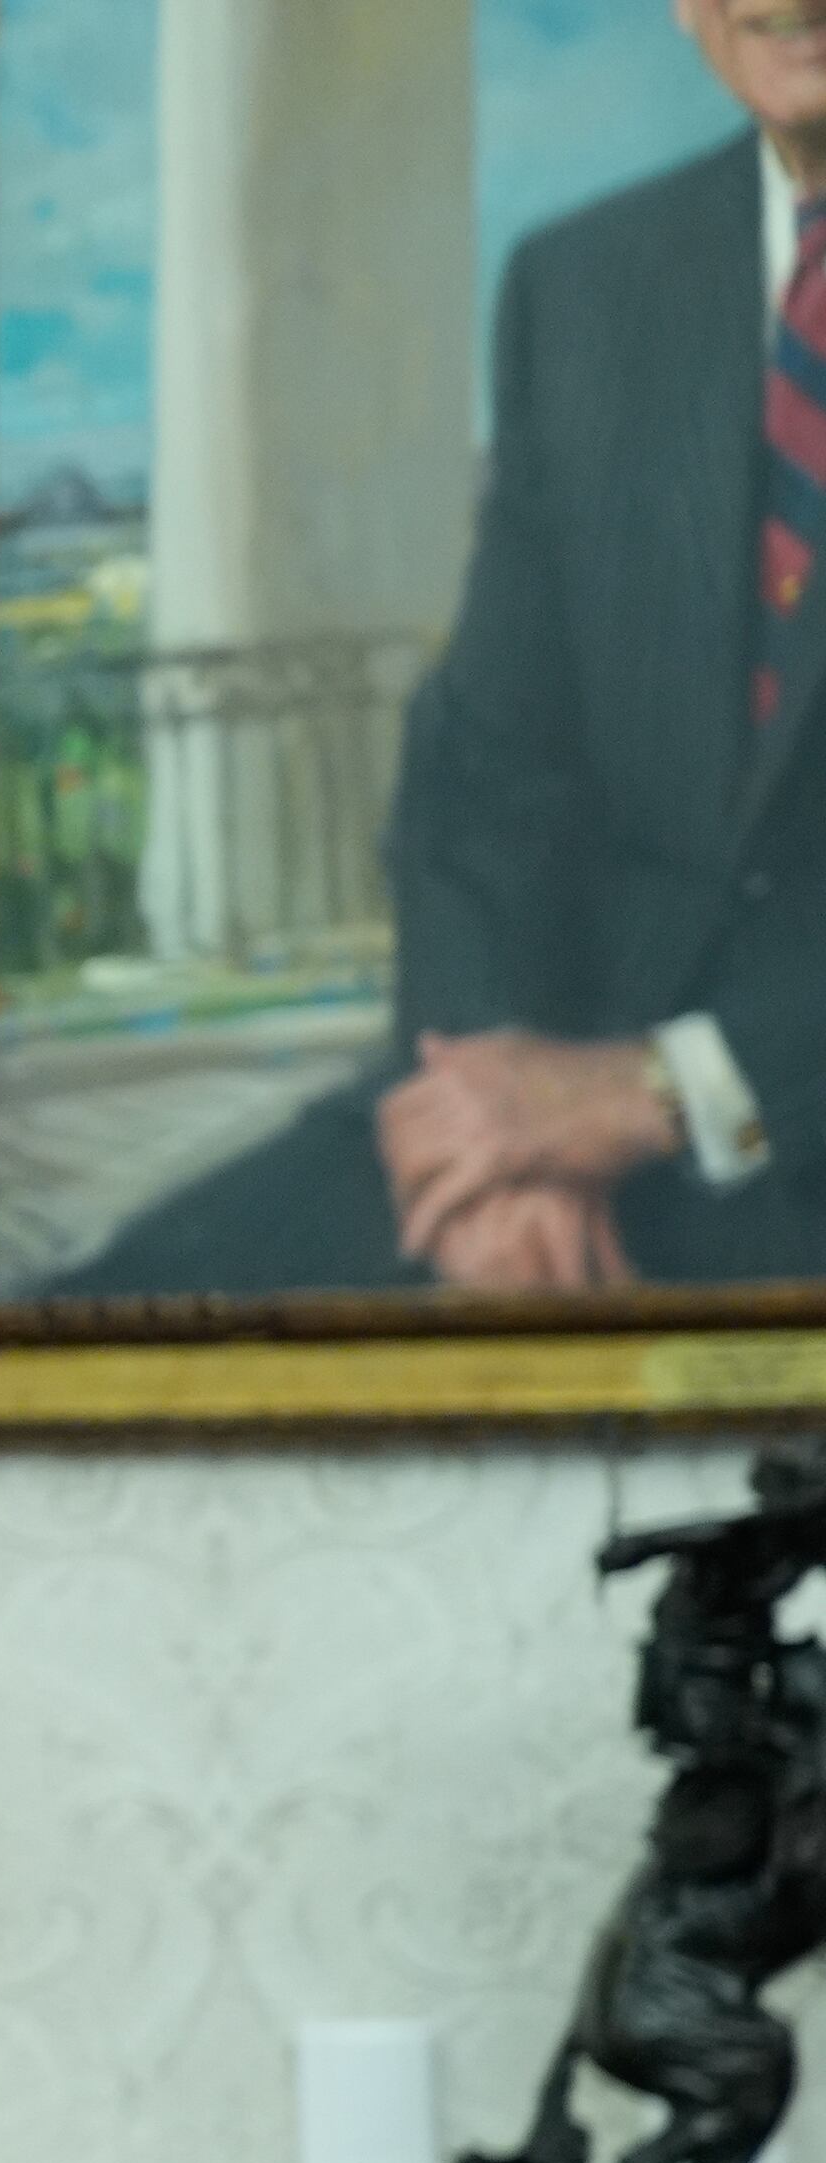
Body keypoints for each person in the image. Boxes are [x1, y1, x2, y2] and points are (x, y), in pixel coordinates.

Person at [64, 0, 826, 1298]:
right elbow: (484, 768)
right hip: (553, 1095)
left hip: (778, 1120)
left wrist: (677, 1090)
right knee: (88, 1331)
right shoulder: (586, 285)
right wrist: (490, 1128)